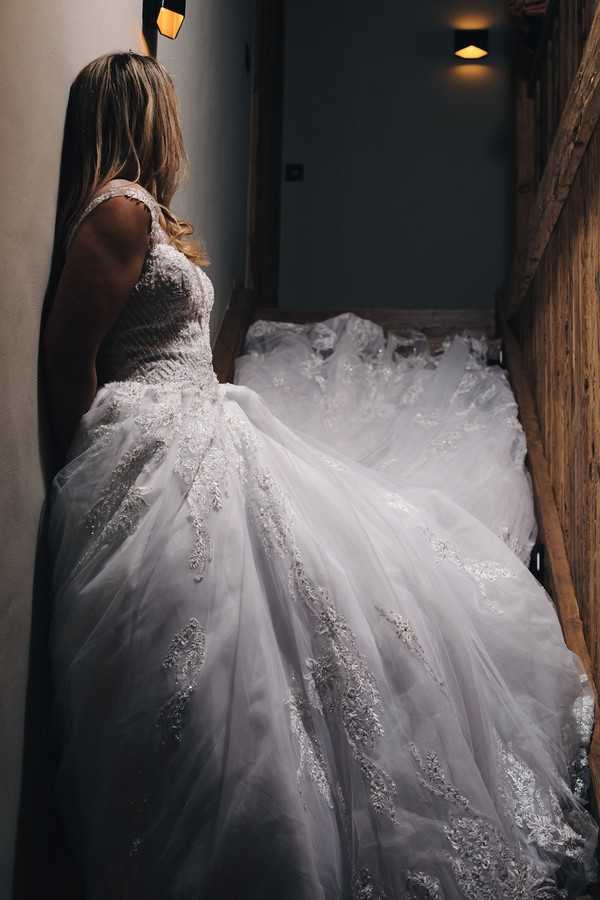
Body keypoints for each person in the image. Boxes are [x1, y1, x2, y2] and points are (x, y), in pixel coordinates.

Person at [44, 51, 598, 899]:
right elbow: (70, 360)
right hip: (161, 431)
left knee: (320, 592)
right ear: (140, 114)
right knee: (227, 639)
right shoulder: (118, 212)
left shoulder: (140, 213)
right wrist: (101, 467)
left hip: (205, 418)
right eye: (164, 108)